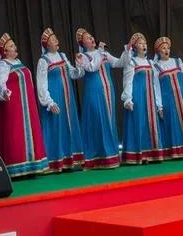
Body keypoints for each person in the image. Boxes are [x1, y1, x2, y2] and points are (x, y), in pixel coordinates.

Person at [0, 32, 49, 177]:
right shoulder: (2, 65)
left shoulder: (19, 62)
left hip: (27, 108)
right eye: (11, 46)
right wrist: (4, 92)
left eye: (14, 45)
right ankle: (16, 167)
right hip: (13, 107)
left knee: (29, 132)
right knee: (16, 133)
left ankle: (32, 165)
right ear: (5, 52)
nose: (15, 47)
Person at [35, 28, 86, 172]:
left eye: (56, 38)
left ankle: (69, 160)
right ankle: (54, 162)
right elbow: (41, 84)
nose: (56, 41)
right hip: (55, 98)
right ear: (47, 45)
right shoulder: (43, 61)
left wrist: (79, 64)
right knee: (55, 127)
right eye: (53, 40)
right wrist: (49, 102)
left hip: (68, 99)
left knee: (68, 125)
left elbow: (74, 74)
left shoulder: (62, 56)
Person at [74, 27, 125, 169]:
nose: (91, 38)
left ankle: (111, 156)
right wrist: (100, 52)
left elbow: (118, 63)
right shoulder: (82, 56)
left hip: (108, 91)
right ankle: (96, 157)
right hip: (94, 92)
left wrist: (127, 51)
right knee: (97, 121)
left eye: (91, 36)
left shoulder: (103, 53)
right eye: (87, 38)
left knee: (109, 120)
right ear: (83, 44)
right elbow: (92, 68)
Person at [121, 32, 164, 164]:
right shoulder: (132, 62)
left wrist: (159, 104)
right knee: (140, 123)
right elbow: (128, 81)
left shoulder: (151, 63)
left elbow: (155, 84)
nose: (144, 45)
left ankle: (153, 153)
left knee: (151, 124)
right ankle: (139, 155)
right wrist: (127, 99)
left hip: (150, 98)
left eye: (145, 43)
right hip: (138, 98)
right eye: (140, 43)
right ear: (135, 47)